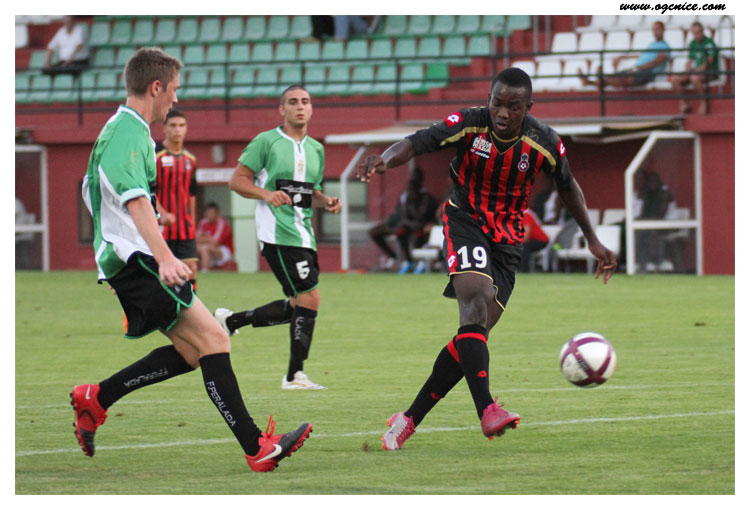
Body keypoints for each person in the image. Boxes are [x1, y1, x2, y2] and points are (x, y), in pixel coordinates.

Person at [73, 47, 312, 472]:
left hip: (129, 259)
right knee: (214, 340)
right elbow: (134, 201)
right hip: (137, 260)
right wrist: (164, 256)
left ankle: (97, 398)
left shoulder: (126, 130)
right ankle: (257, 448)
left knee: (190, 352)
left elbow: (99, 193)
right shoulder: (128, 131)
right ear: (156, 87)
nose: (176, 99)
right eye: (174, 89)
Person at [355, 67, 617, 450]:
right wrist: (384, 158)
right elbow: (416, 143)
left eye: (514, 106)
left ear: (528, 107)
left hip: (508, 243)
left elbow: (568, 186)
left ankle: (407, 419)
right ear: (489, 99)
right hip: (466, 221)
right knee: (475, 302)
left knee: (472, 336)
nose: (503, 113)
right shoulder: (469, 123)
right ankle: (487, 410)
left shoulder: (544, 142)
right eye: (497, 103)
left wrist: (592, 239)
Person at [215, 84, 342, 391]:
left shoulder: (316, 149)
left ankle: (231, 321)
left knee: (300, 304)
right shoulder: (266, 141)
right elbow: (237, 181)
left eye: (305, 102)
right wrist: (266, 194)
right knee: (310, 298)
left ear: (311, 109)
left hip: (303, 234)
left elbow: (308, 193)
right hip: (277, 233)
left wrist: (326, 201)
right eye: (293, 102)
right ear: (282, 109)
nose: (300, 107)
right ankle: (294, 376)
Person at [155, 108, 199, 291]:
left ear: (186, 128)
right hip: (161, 228)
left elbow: (192, 194)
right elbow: (147, 191)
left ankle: (191, 307)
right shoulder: (155, 156)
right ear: (164, 128)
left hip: (184, 228)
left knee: (191, 269)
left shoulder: (190, 160)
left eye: (181, 125)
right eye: (173, 125)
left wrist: (192, 223)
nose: (177, 130)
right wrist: (162, 213)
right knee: (162, 273)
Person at [369, 167, 437, 274]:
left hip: (420, 226)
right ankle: (400, 258)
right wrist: (393, 222)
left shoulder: (426, 198)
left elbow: (422, 215)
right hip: (405, 225)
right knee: (392, 232)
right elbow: (399, 214)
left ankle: (417, 261)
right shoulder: (404, 197)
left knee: (417, 234)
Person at [579, 21, 670, 89]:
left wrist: (638, 68)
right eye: (654, 29)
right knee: (617, 76)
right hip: (638, 70)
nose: (656, 31)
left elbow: (657, 61)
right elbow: (641, 56)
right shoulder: (651, 45)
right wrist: (622, 57)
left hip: (647, 73)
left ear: (663, 30)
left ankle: (591, 82)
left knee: (624, 78)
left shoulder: (664, 46)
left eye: (658, 29)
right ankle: (594, 81)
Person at [670, 21, 719, 115]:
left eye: (698, 32)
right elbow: (690, 60)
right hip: (696, 71)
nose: (697, 35)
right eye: (694, 33)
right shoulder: (693, 43)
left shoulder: (709, 43)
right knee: (675, 79)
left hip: (710, 71)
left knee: (695, 78)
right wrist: (687, 70)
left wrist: (696, 70)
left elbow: (709, 61)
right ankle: (683, 104)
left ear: (702, 31)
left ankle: (704, 103)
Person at [196, 202, 234, 271]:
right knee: (198, 247)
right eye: (208, 213)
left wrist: (204, 239)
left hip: (223, 250)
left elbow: (215, 242)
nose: (210, 215)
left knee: (204, 248)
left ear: (217, 214)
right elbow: (196, 239)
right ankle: (201, 270)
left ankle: (205, 271)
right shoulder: (203, 222)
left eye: (212, 213)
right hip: (208, 248)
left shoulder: (222, 223)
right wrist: (208, 239)